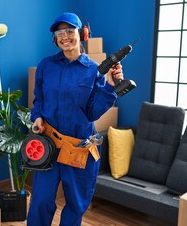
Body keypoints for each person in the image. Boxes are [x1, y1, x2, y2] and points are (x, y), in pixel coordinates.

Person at [27, 12, 124, 226]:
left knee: (76, 204)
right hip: (49, 145)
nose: (65, 37)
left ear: (82, 34)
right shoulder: (46, 66)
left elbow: (92, 113)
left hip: (79, 148)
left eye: (70, 31)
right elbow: (39, 100)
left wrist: (109, 85)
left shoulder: (94, 71)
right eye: (59, 33)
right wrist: (37, 117)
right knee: (40, 201)